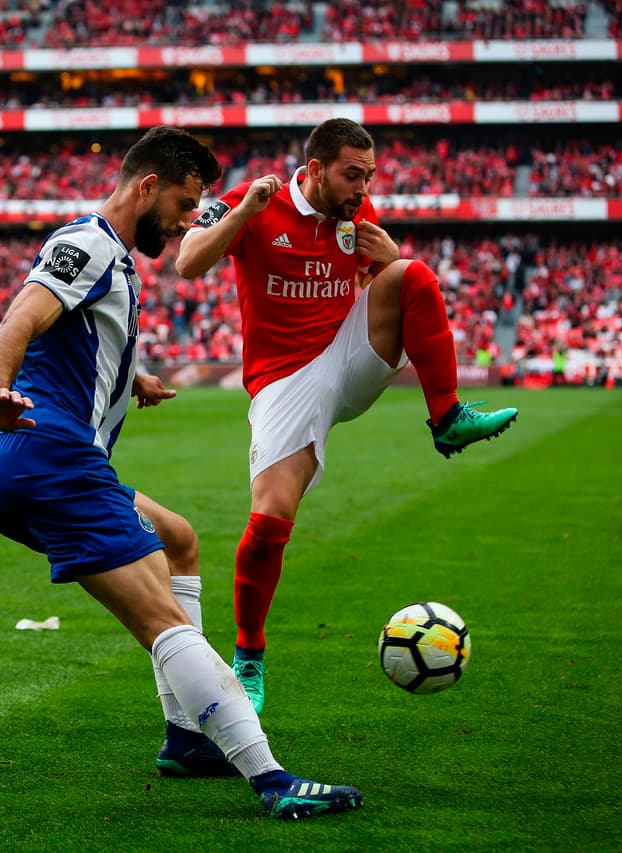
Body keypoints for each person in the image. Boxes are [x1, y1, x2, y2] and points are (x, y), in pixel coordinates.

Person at [0, 126, 361, 822]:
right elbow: (21, 317)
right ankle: (270, 776)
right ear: (148, 186)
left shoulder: (112, 258)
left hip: (37, 463)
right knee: (164, 617)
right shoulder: (90, 241)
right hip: (48, 457)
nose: (189, 220)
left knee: (178, 538)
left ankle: (186, 737)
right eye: (184, 204)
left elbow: (73, 337)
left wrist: (132, 379)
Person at [175, 118, 518, 714]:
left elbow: (381, 276)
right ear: (314, 170)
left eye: (369, 176)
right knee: (269, 522)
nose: (362, 188)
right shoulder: (256, 202)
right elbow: (187, 263)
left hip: (348, 354)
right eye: (352, 175)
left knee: (413, 273)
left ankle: (447, 418)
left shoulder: (361, 214)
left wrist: (387, 257)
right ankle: (249, 657)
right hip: (285, 382)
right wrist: (242, 213)